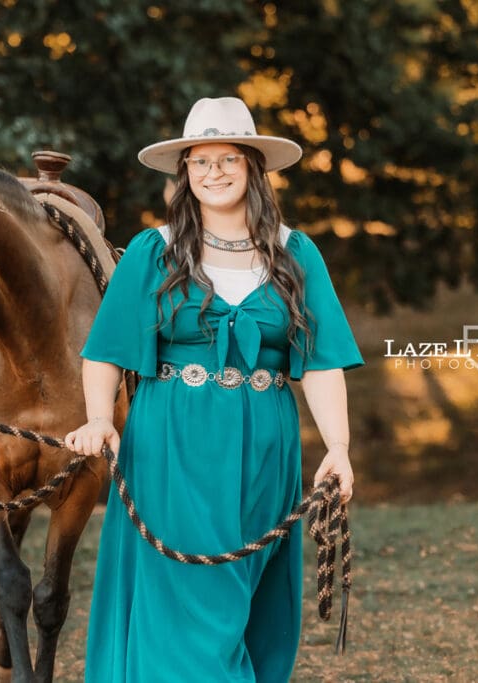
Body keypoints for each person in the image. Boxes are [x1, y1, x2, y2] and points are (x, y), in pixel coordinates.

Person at [64, 96, 365, 682]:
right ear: (186, 174)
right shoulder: (154, 252)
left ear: (253, 166)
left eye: (227, 158)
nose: (214, 172)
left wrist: (338, 447)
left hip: (264, 448)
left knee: (246, 603)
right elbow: (105, 350)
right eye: (200, 162)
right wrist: (100, 418)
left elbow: (321, 363)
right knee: (189, 600)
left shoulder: (295, 253)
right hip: (172, 441)